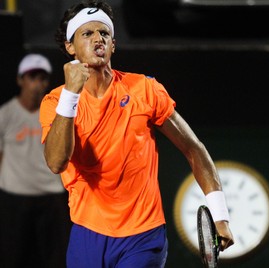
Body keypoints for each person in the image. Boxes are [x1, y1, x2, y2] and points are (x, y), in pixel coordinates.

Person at [39, 1, 234, 267]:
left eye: (104, 33)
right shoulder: (56, 102)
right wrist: (71, 95)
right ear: (70, 47)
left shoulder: (145, 90)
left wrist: (220, 215)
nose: (98, 39)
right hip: (87, 232)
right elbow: (55, 162)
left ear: (113, 45)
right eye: (87, 34)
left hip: (143, 235)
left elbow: (193, 148)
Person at [0, 53, 71, 268]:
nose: (37, 84)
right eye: (32, 77)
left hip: (52, 199)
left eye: (42, 78)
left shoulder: (55, 115)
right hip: (14, 199)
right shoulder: (5, 114)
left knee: (56, 259)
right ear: (20, 80)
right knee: (12, 257)